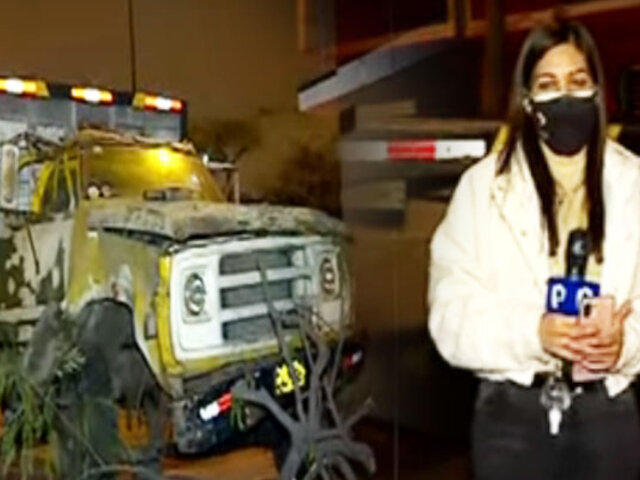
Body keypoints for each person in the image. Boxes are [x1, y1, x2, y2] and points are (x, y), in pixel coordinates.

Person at [428, 20, 640, 480]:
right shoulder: (483, 189)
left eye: (578, 82)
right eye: (548, 85)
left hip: (610, 414)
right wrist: (534, 333)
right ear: (527, 100)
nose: (565, 96)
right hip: (511, 420)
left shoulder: (633, 183)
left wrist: (625, 344)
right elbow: (448, 315)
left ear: (597, 92)